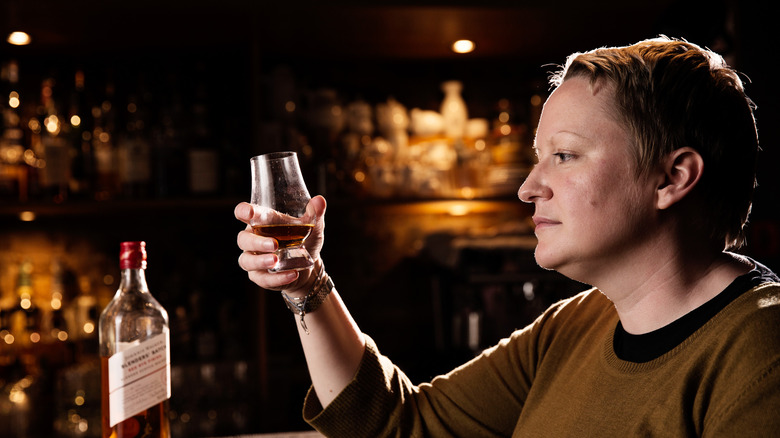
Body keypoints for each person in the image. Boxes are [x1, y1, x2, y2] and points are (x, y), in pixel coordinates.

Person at [235, 36, 780, 437]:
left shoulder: (759, 354)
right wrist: (307, 285)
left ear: (672, 178)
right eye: (536, 159)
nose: (527, 188)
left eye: (563, 156)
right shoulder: (575, 325)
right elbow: (398, 426)